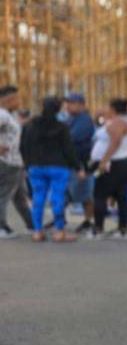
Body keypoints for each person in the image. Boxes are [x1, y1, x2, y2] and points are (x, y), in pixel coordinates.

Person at [20, 96, 86, 242]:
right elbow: (69, 149)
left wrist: (26, 164)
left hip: (35, 167)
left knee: (38, 198)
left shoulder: (29, 125)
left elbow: (23, 146)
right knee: (57, 198)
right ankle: (59, 231)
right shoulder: (62, 127)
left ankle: (38, 232)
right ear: (58, 109)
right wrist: (78, 167)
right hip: (58, 167)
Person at [90, 98, 127, 239]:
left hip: (115, 163)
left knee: (100, 195)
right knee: (120, 195)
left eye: (107, 106)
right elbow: (100, 125)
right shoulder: (119, 121)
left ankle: (98, 229)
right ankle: (123, 228)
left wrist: (104, 160)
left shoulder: (118, 123)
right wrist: (99, 116)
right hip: (122, 162)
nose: (104, 109)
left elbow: (116, 141)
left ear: (113, 109)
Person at [0, 85, 36, 238]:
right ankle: (2, 227)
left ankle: (32, 225)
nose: (19, 102)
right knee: (4, 195)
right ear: (10, 99)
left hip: (16, 162)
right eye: (18, 98)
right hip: (7, 162)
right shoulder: (2, 114)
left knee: (20, 195)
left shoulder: (10, 114)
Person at [63, 93, 97, 233]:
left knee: (84, 194)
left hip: (81, 162)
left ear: (82, 105)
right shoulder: (71, 118)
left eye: (72, 103)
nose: (68, 105)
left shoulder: (84, 119)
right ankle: (60, 219)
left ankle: (89, 221)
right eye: (68, 103)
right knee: (65, 192)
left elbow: (71, 138)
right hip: (70, 162)